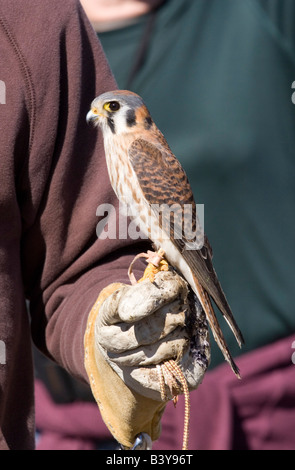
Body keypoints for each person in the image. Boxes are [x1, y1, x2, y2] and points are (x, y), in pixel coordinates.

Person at [80, 0, 295, 449]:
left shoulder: (143, 150)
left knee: (205, 305)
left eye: (110, 108)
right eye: (99, 109)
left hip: (274, 408)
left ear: (132, 114)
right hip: (90, 425)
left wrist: (167, 257)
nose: (99, 116)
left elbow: (177, 224)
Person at [0, 0, 202, 450]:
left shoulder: (32, 19)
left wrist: (114, 325)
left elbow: (81, 259)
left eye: (107, 107)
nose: (98, 115)